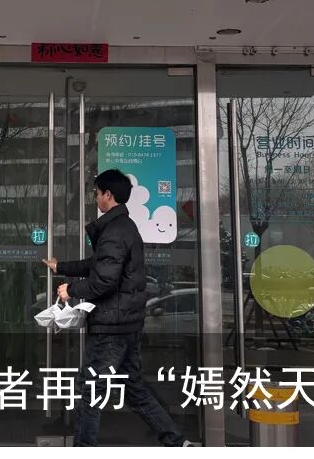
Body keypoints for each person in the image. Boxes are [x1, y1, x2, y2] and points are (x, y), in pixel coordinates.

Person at [42, 169, 189, 447]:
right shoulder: (124, 227)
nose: (95, 198)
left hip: (111, 326)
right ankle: (177, 442)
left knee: (90, 389)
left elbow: (104, 280)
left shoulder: (114, 231)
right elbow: (98, 265)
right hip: (126, 324)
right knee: (133, 389)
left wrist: (70, 290)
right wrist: (61, 267)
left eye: (96, 193)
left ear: (108, 195)